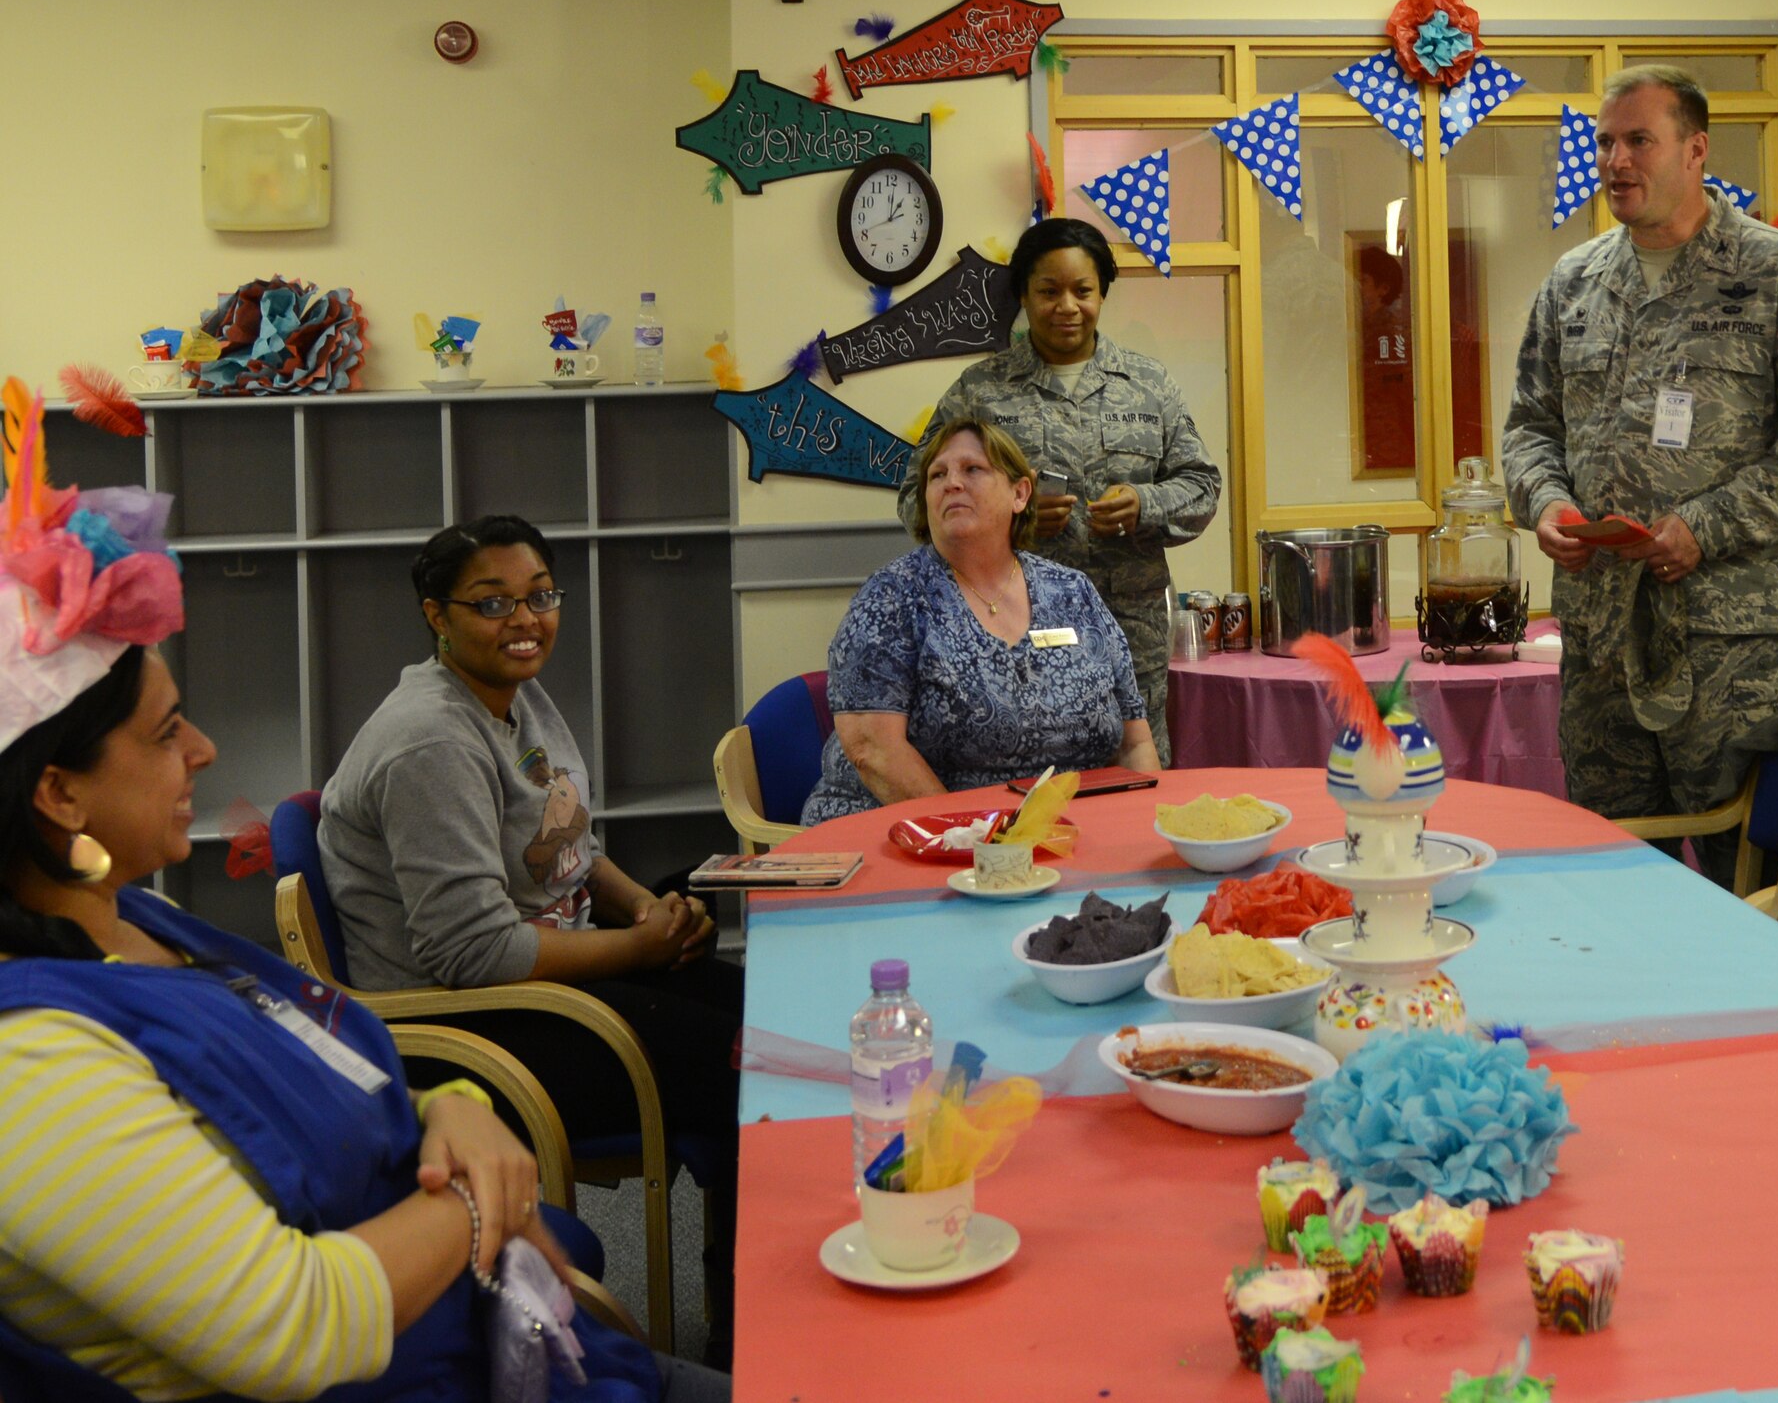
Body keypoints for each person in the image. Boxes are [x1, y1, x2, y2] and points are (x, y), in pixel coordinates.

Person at [0, 390, 716, 1400]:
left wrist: (452, 1107)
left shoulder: (137, 923)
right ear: (57, 790)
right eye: (166, 733)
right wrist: (482, 1198)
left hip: (502, 1324)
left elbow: (325, 1069)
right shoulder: (30, 1069)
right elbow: (298, 1325)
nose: (204, 749)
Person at [317, 515, 742, 1367]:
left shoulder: (516, 696)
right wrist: (640, 950)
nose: (526, 619)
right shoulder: (431, 737)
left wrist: (648, 916)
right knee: (742, 1063)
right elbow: (475, 954)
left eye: (540, 596)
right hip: (471, 1030)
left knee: (756, 1004)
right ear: (436, 616)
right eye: (494, 603)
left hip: (544, 980)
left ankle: (737, 1290)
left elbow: (575, 852)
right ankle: (742, 1327)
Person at [1500, 65, 1778, 881]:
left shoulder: (1777, 273)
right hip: (1600, 650)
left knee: (1757, 874)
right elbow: (1530, 427)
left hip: (1732, 652)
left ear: (1696, 150)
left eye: (1639, 141)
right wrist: (1548, 504)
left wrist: (1706, 526)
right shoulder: (1575, 282)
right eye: (1605, 143)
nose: (1615, 162)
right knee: (1611, 875)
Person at [896, 217, 1220, 763]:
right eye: (1048, 291)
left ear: (1102, 294)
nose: (1066, 306)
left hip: (1130, 626)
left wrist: (1144, 505)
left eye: (1082, 291)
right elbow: (914, 499)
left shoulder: (1149, 383)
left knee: (1133, 773)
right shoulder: (980, 390)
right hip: (1009, 632)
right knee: (1028, 769)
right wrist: (1012, 520)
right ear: (1023, 295)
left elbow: (1203, 487)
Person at [804, 419, 1158, 825]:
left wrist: (1141, 830)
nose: (952, 482)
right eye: (937, 475)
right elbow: (874, 752)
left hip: (1065, 835)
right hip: (916, 836)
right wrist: (983, 840)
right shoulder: (892, 597)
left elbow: (1134, 744)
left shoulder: (1072, 591)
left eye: (973, 469)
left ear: (1020, 493)